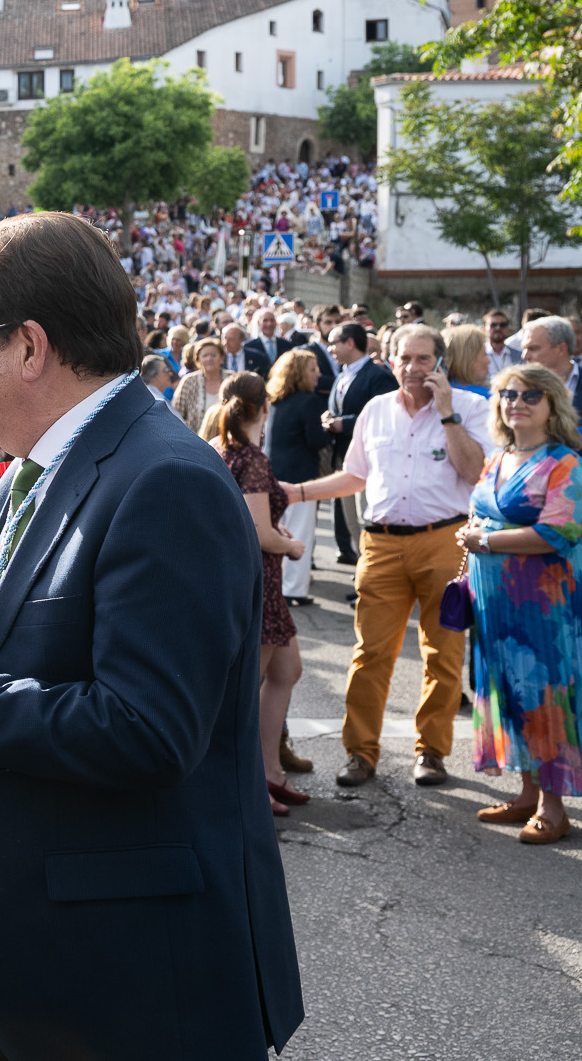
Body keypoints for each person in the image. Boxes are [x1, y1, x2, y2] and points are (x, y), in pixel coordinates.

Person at [0, 212, 302, 1059]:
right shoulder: (27, 469)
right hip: (56, 944)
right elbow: (55, 649)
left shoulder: (165, 481)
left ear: (28, 347)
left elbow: (145, 729)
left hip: (138, 969)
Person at [288, 324, 494, 789]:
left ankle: (432, 752)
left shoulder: (471, 408)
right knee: (370, 653)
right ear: (391, 360)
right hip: (380, 543)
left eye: (424, 359)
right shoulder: (377, 410)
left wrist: (447, 414)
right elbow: (354, 475)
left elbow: (476, 471)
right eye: (404, 358)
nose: (413, 368)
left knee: (442, 653)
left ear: (440, 363)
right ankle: (360, 753)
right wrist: (297, 492)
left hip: (445, 540)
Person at [456, 361, 580, 843]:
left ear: (552, 405)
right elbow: (480, 510)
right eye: (508, 394)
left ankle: (554, 807)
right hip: (495, 604)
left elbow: (558, 531)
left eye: (530, 396)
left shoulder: (564, 462)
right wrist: (474, 532)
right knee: (508, 691)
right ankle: (527, 794)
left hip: (543, 605)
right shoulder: (498, 456)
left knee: (545, 693)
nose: (517, 403)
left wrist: (485, 541)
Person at [210, 373, 308, 818]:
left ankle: (267, 768)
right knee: (245, 693)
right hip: (258, 580)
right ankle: (247, 781)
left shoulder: (221, 448)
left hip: (252, 577)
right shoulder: (250, 458)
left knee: (288, 670)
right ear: (263, 408)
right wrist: (289, 544)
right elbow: (258, 531)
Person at [323, 321, 395, 566]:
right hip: (344, 458)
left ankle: (374, 573)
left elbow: (386, 415)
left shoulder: (379, 376)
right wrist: (329, 418)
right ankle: (363, 572)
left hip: (369, 462)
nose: (330, 348)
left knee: (367, 520)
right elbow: (339, 407)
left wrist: (346, 423)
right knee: (352, 521)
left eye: (334, 342)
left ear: (350, 343)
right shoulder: (342, 374)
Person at [265, 349, 328, 613]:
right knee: (300, 533)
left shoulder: (276, 400)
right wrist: (328, 429)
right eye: (313, 369)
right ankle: (294, 590)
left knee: (279, 531)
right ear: (301, 373)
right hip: (301, 476)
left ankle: (279, 586)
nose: (318, 374)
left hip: (275, 472)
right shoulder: (308, 402)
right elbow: (316, 440)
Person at [517, 315, 582, 402]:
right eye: (524, 348)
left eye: (533, 348)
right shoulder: (519, 388)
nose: (525, 356)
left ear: (561, 349)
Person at [172, 335, 228, 433]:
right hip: (195, 441)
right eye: (205, 355)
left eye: (213, 355)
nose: (209, 359)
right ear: (198, 360)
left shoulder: (231, 379)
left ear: (222, 358)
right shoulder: (189, 381)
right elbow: (176, 413)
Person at [446, 323, 491, 398]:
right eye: (484, 354)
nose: (488, 361)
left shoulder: (431, 394)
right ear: (469, 358)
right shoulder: (485, 398)